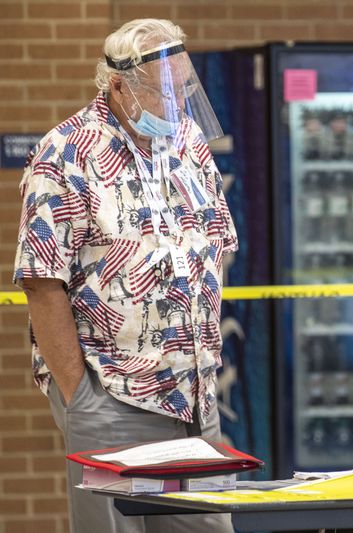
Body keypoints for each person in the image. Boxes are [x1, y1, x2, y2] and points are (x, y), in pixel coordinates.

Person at [14, 19, 237, 532]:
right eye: (166, 93)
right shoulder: (65, 153)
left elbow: (215, 243)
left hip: (195, 398)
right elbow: (41, 282)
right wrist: (80, 395)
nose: (180, 106)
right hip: (113, 393)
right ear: (118, 85)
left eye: (186, 89)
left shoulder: (188, 144)